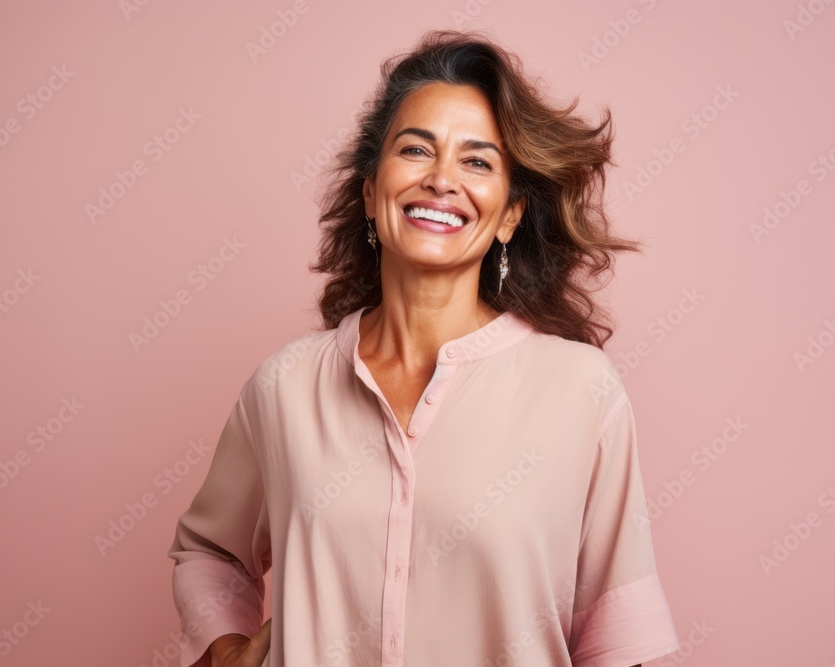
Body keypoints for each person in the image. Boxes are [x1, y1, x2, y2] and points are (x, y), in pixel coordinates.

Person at [167, 28, 680, 667]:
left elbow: (619, 633)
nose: (441, 180)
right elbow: (209, 550)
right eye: (416, 149)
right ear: (369, 190)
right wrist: (224, 652)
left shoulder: (581, 391)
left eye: (477, 161)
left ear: (510, 215)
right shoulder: (284, 386)